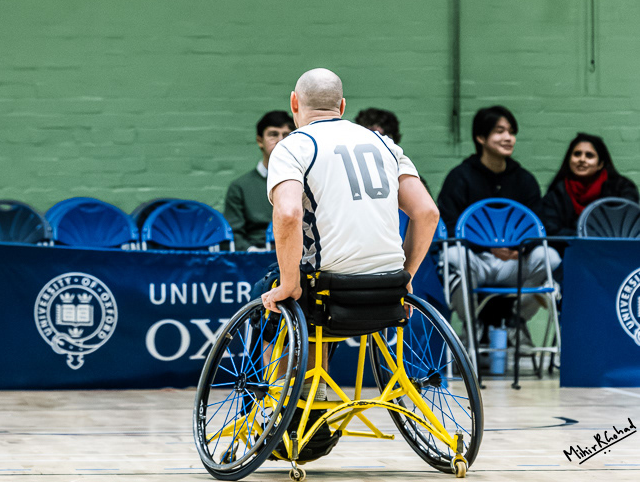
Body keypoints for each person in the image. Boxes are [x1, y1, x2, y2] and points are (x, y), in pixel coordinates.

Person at [260, 68, 438, 411]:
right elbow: (428, 213)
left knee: (274, 290)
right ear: (342, 105)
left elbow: (287, 215)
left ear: (294, 103)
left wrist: (288, 283)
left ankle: (283, 401)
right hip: (388, 288)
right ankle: (311, 388)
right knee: (306, 288)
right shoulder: (384, 144)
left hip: (331, 289)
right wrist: (407, 277)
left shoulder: (293, 147)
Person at [437, 105, 560, 329]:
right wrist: (487, 249)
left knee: (549, 257)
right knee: (452, 256)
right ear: (481, 137)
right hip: (477, 261)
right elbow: (450, 223)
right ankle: (474, 327)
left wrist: (522, 249)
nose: (508, 138)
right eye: (500, 131)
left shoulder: (524, 179)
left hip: (515, 263)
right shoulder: (460, 177)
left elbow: (537, 225)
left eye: (511, 132)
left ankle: (515, 320)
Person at [541, 133, 639, 244]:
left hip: (613, 249)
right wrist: (584, 238)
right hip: (570, 250)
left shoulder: (621, 188)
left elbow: (627, 224)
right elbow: (551, 229)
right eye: (577, 154)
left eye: (589, 155)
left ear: (600, 164)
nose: (582, 159)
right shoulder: (556, 192)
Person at [224, 110, 294, 250]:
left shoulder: (305, 183)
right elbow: (233, 234)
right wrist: (252, 252)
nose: (280, 140)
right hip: (255, 259)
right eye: (273, 134)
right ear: (259, 141)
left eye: (286, 135)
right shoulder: (240, 187)